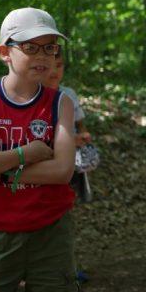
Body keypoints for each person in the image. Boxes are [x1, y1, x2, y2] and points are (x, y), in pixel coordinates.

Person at [0, 7, 78, 292]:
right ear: (5, 52)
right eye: (30, 47)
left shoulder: (61, 103)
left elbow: (62, 171)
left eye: (50, 48)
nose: (43, 56)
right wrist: (24, 154)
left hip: (52, 233)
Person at [44, 52, 96, 203]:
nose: (54, 71)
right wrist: (67, 142)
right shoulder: (33, 95)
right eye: (48, 66)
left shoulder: (69, 94)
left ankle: (76, 189)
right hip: (47, 153)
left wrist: (84, 136)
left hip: (72, 153)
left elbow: (80, 122)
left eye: (59, 65)